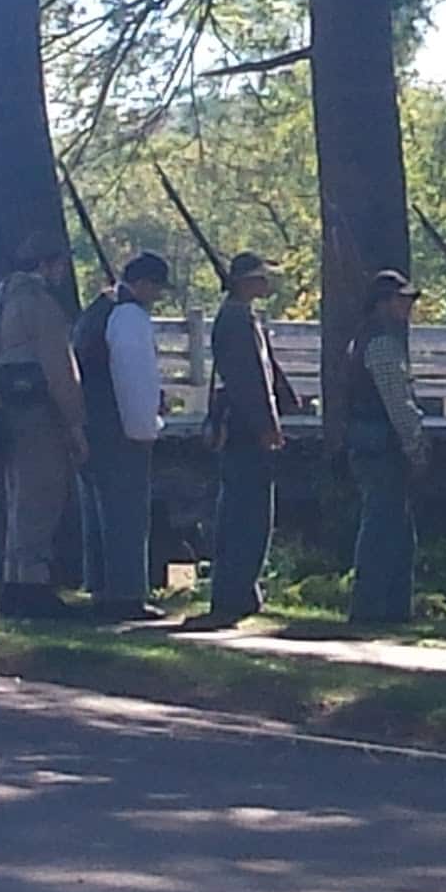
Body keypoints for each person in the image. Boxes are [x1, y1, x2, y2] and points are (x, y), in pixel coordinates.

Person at [0, 231, 89, 620]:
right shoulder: (39, 304)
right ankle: (34, 584)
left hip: (1, 410)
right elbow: (59, 366)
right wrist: (75, 422)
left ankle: (14, 579)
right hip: (37, 414)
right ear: (46, 264)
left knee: (17, 495)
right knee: (42, 495)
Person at [188, 252, 300, 630]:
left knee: (243, 510)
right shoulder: (237, 320)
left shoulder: (238, 317)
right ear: (247, 281)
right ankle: (236, 591)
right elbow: (249, 380)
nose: (266, 283)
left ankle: (237, 589)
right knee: (247, 513)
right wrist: (268, 424)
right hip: (246, 430)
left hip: (241, 427)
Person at [325, 270, 430, 628]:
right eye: (401, 299)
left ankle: (389, 608)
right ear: (382, 304)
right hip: (381, 444)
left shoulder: (362, 340)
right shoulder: (383, 345)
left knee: (392, 526)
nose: (407, 307)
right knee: (384, 525)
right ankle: (372, 607)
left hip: (367, 441)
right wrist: (415, 446)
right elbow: (397, 403)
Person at [74, 252, 172, 622]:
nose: (157, 296)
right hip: (119, 428)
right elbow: (135, 379)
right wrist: (145, 428)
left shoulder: (97, 310)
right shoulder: (129, 316)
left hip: (90, 424)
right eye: (157, 288)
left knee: (97, 514)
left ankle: (100, 587)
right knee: (126, 514)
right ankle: (126, 593)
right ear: (145, 283)